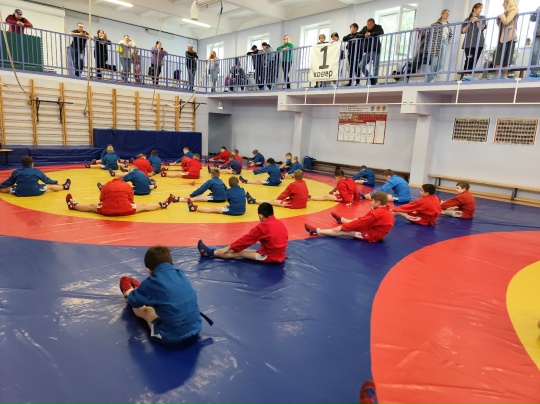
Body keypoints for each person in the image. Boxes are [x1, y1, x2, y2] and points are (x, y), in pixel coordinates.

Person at [119, 245, 202, 345]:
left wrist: (129, 293)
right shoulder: (181, 274)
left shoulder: (152, 282)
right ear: (171, 262)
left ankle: (130, 291)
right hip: (196, 328)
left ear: (149, 270)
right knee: (167, 303)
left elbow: (134, 301)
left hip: (169, 337)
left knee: (147, 310)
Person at [197, 202, 288, 263]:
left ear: (260, 216)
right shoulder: (280, 223)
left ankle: (209, 253)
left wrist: (229, 247)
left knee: (238, 252)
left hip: (269, 257)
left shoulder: (264, 226)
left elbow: (246, 240)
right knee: (241, 250)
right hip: (280, 255)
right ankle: (213, 252)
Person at [305, 191, 394, 242]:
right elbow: (364, 220)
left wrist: (342, 227)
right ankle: (342, 220)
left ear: (378, 202)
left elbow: (361, 223)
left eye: (373, 201)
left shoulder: (377, 213)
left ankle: (316, 231)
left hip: (372, 235)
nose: (371, 202)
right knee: (357, 219)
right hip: (373, 229)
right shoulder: (384, 209)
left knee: (345, 231)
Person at [65, 178, 171, 216]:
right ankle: (161, 205)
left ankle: (73, 205)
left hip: (106, 210)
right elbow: (131, 199)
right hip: (126, 209)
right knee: (144, 206)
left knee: (90, 206)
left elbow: (101, 199)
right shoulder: (127, 186)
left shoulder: (107, 185)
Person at [0, 156, 70, 197]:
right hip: (35, 191)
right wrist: (56, 182)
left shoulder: (16, 171)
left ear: (22, 164)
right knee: (49, 186)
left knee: (8, 188)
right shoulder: (36, 171)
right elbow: (46, 180)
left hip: (20, 192)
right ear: (32, 164)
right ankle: (64, 186)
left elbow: (9, 182)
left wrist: (1, 185)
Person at [422, 9, 453, 83]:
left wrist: (447, 42)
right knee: (434, 62)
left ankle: (430, 76)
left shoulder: (448, 25)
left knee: (441, 64)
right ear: (442, 14)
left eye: (448, 14)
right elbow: (428, 31)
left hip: (444, 43)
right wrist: (420, 29)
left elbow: (450, 35)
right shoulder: (435, 24)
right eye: (446, 13)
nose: (447, 15)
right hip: (435, 44)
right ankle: (431, 79)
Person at [493, 0, 519, 79]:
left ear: (508, 2)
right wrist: (499, 22)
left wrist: (501, 15)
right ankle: (497, 75)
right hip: (503, 35)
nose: (502, 4)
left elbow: (507, 21)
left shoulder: (514, 9)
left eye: (504, 2)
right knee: (499, 55)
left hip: (510, 36)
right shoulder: (506, 12)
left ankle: (504, 75)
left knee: (507, 55)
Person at [460, 3, 487, 80]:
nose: (481, 9)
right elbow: (463, 31)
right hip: (468, 43)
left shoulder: (482, 17)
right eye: (479, 8)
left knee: (474, 60)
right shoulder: (467, 19)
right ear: (474, 9)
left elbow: (481, 27)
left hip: (479, 43)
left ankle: (469, 76)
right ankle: (465, 75)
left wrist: (477, 20)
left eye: (481, 8)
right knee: (469, 59)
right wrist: (469, 22)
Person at [358, 18, 384, 86]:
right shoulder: (365, 28)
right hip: (368, 51)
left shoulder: (378, 27)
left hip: (376, 50)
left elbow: (381, 32)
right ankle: (370, 77)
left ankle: (374, 83)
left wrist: (371, 34)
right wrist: (364, 35)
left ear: (373, 24)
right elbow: (358, 34)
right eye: (367, 24)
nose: (367, 26)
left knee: (375, 68)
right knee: (360, 65)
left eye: (369, 25)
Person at [530, 6, 540, 77]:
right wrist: (536, 11)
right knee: (535, 53)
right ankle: (534, 72)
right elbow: (532, 19)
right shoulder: (538, 8)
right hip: (537, 35)